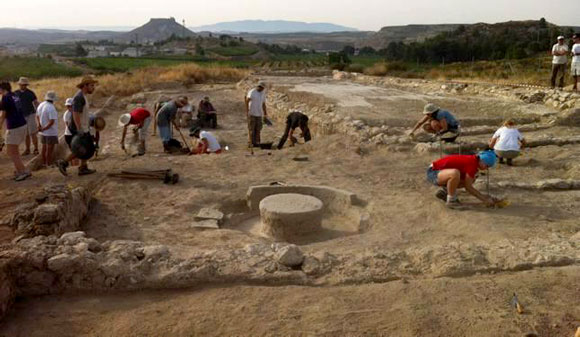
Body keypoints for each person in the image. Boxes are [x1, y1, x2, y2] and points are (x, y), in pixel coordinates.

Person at [56, 76, 98, 176]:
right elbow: (75, 113)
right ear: (85, 86)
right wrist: (79, 128)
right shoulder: (79, 97)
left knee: (88, 148)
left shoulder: (83, 96)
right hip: (79, 129)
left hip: (84, 127)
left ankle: (83, 168)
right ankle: (63, 162)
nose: (93, 88)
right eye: (92, 85)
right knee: (80, 149)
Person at [426, 150, 498, 209]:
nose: (487, 168)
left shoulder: (474, 162)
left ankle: (447, 192)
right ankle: (451, 201)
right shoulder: (472, 163)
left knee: (471, 179)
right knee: (454, 173)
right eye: (487, 165)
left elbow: (467, 184)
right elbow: (468, 188)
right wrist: (484, 199)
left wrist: (484, 197)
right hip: (433, 172)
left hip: (441, 173)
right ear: (482, 161)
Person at [0, 82, 31, 181]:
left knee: (12, 152)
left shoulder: (5, 98)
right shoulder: (14, 95)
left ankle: (23, 172)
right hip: (22, 124)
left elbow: (3, 115)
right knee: (14, 151)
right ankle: (22, 170)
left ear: (2, 89)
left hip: (14, 127)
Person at [14, 77, 39, 156]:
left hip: (31, 114)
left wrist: (39, 111)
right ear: (19, 84)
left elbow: (35, 103)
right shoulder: (15, 93)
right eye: (22, 84)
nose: (23, 86)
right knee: (26, 134)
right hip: (21, 115)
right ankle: (27, 149)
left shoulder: (30, 93)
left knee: (33, 133)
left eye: (25, 85)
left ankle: (36, 149)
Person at [36, 91, 59, 167]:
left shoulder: (41, 105)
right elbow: (52, 121)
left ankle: (44, 163)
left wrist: (39, 126)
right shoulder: (51, 108)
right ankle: (48, 164)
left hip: (43, 132)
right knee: (49, 149)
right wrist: (44, 128)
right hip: (50, 132)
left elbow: (37, 116)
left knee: (44, 148)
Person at [245, 81, 268, 147]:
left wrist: (265, 113)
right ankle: (251, 142)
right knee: (252, 129)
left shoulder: (263, 93)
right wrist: (247, 110)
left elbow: (263, 104)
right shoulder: (252, 92)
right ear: (259, 87)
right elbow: (247, 101)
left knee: (258, 129)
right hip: (252, 113)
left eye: (263, 88)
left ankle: (257, 142)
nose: (262, 89)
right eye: (262, 88)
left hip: (259, 114)